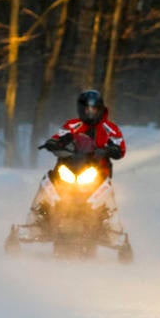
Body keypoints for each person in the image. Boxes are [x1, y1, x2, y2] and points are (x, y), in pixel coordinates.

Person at [21, 89, 128, 243]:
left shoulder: (110, 128)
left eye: (94, 109)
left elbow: (120, 147)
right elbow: (59, 136)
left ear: (100, 109)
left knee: (108, 188)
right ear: (81, 109)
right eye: (87, 109)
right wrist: (53, 143)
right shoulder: (73, 125)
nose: (90, 112)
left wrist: (109, 149)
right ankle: (35, 218)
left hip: (97, 170)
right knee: (47, 180)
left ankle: (113, 226)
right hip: (70, 166)